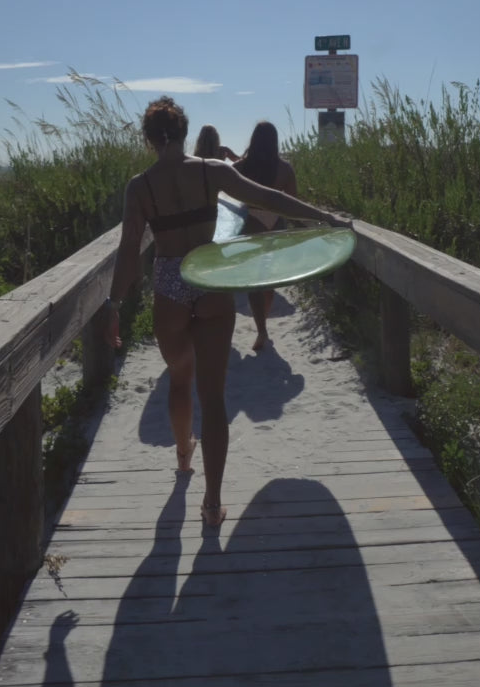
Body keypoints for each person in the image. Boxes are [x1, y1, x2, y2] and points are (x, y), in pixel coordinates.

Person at [104, 97, 344, 527]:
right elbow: (268, 197)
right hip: (210, 280)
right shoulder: (209, 170)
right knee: (212, 398)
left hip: (170, 286)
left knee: (181, 380)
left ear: (148, 139)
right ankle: (212, 505)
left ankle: (183, 460)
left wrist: (114, 304)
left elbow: (128, 251)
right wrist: (321, 216)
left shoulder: (140, 187)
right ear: (183, 132)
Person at [234, 121, 297, 352]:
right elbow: (293, 203)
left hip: (250, 225)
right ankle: (263, 326)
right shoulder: (285, 169)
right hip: (275, 226)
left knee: (254, 281)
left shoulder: (240, 168)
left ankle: (261, 328)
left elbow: (228, 200)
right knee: (269, 280)